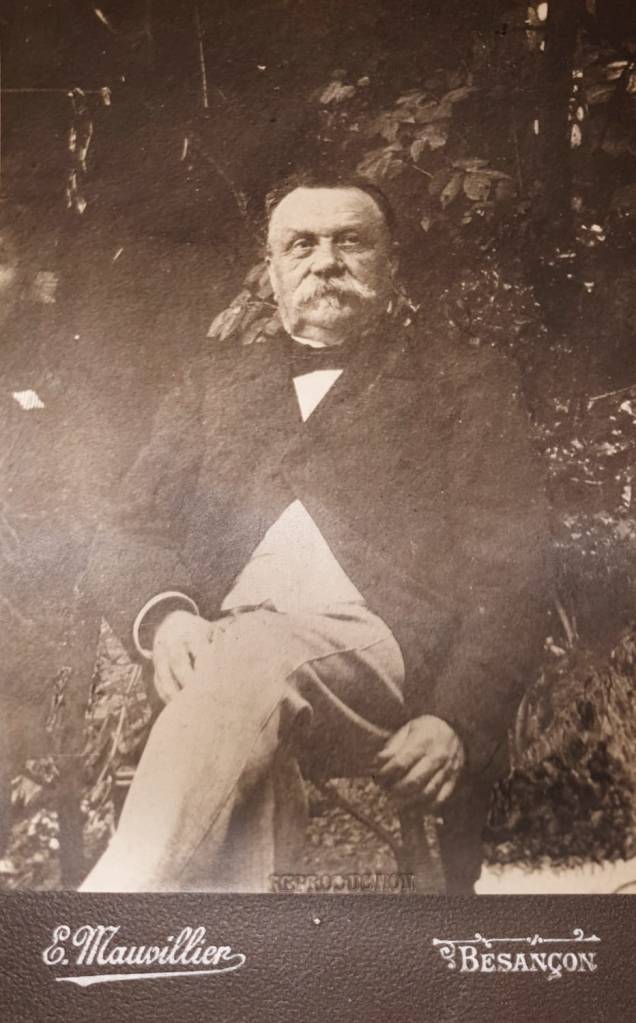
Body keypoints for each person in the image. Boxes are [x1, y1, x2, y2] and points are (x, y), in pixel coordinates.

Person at [78, 174, 550, 893]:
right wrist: (167, 617)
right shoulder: (212, 385)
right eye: (301, 245)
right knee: (242, 674)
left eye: (350, 241)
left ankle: (115, 907)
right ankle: (238, 957)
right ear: (271, 271)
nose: (325, 262)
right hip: (225, 664)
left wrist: (457, 719)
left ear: (391, 263)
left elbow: (513, 572)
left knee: (252, 651)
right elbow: (126, 529)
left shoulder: (464, 379)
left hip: (386, 663)